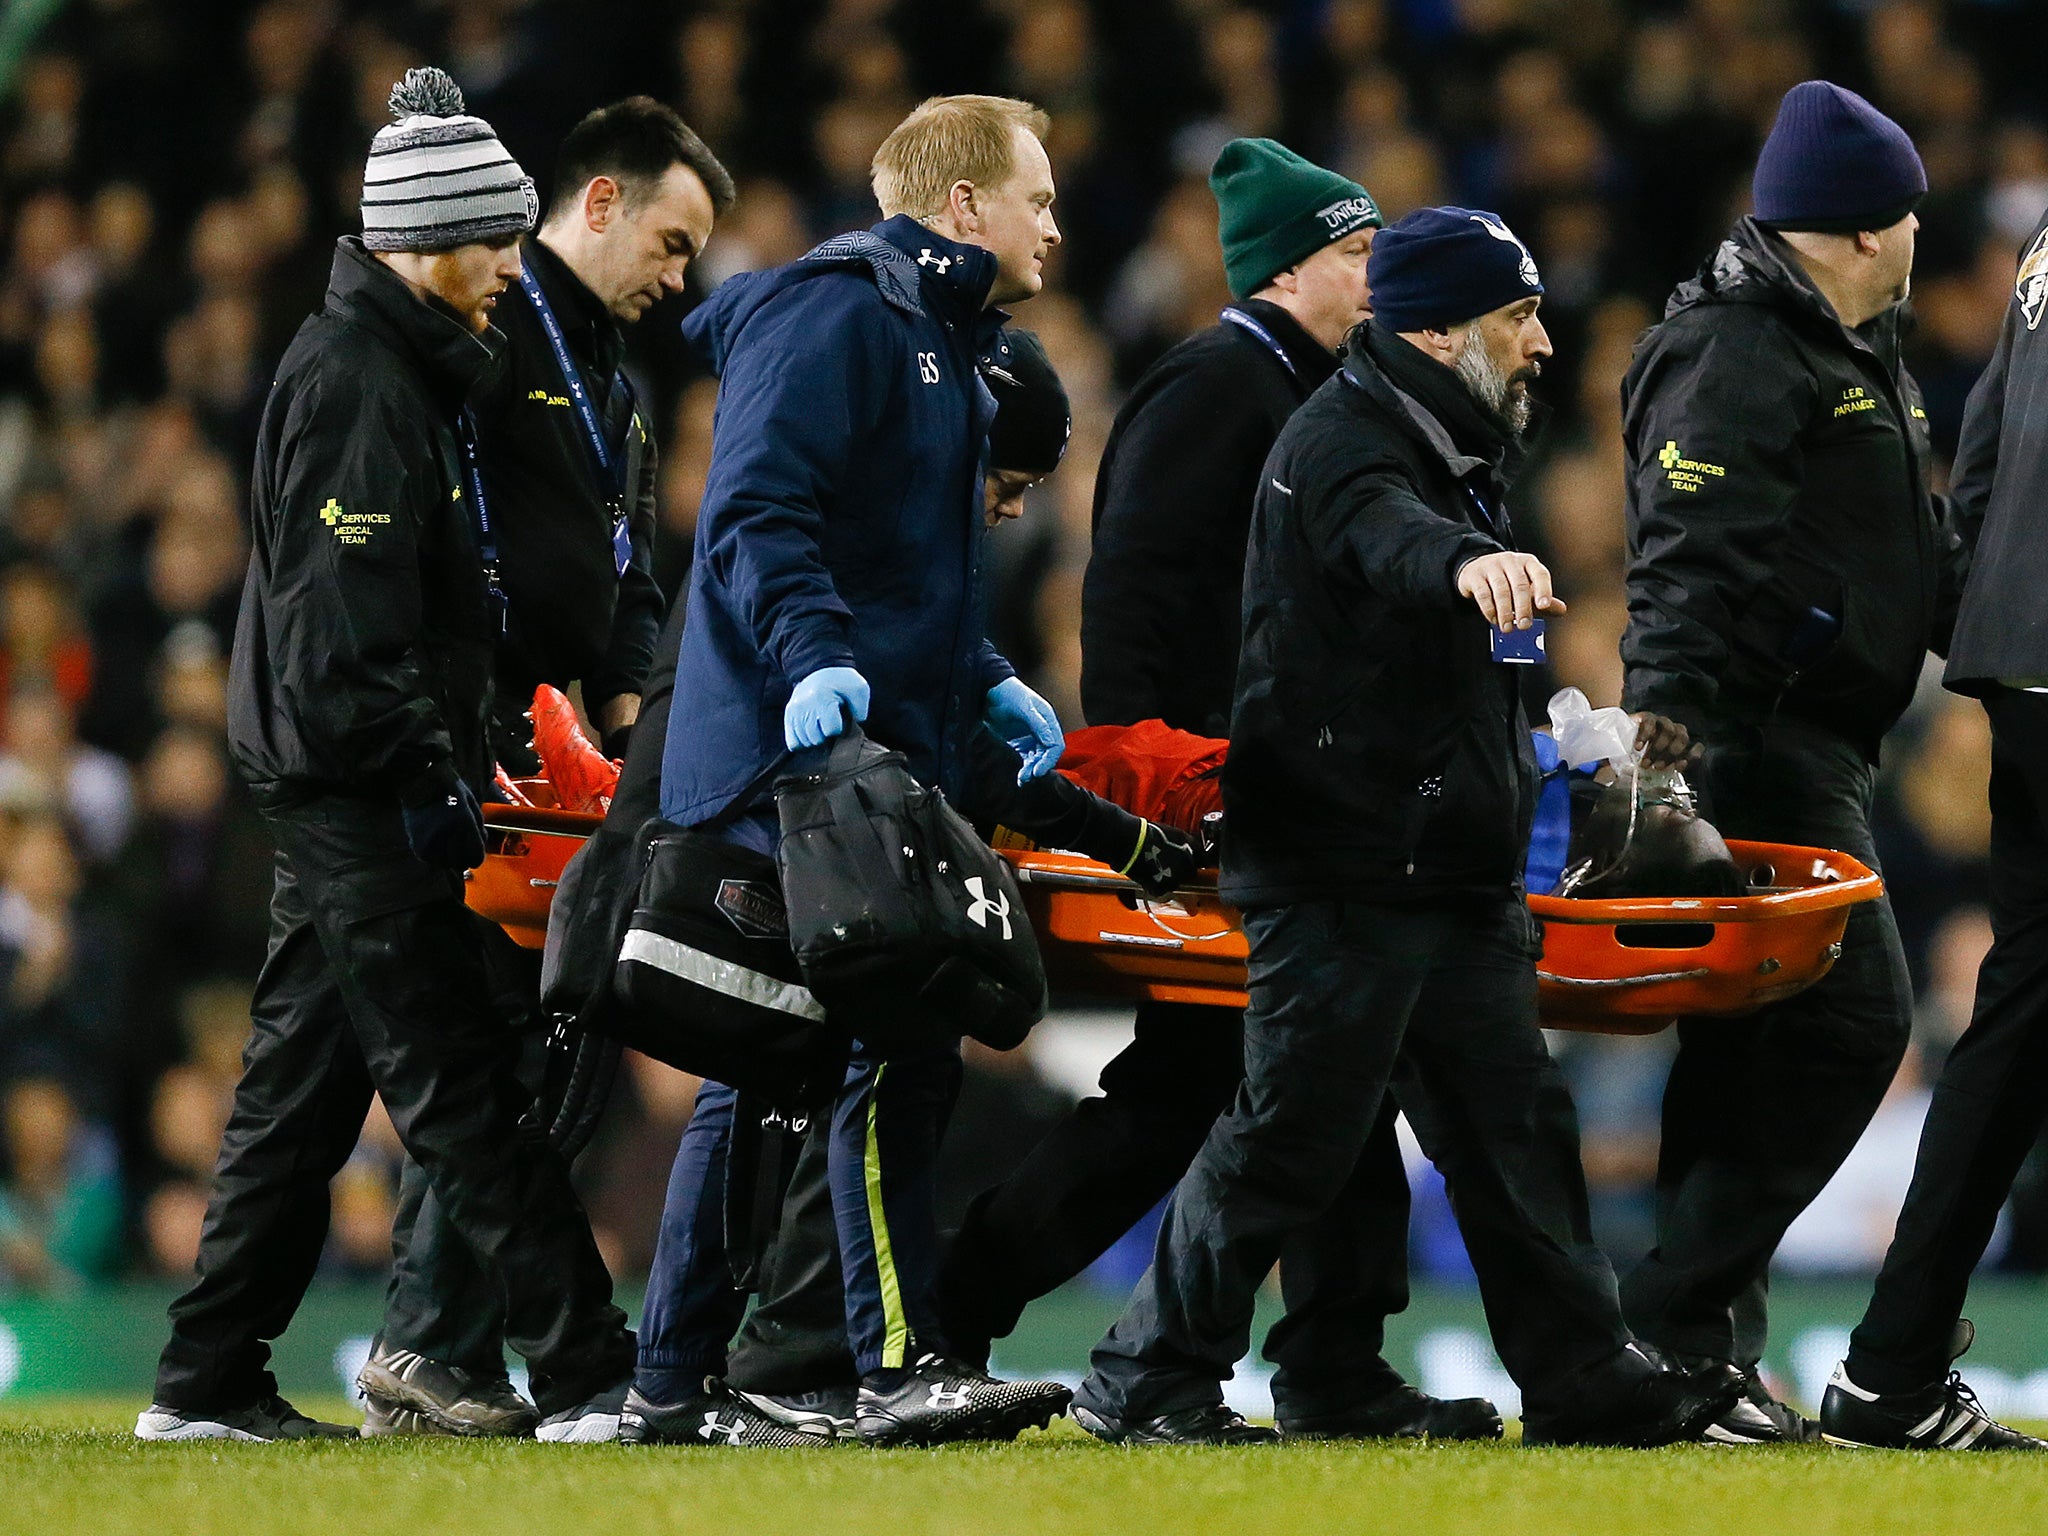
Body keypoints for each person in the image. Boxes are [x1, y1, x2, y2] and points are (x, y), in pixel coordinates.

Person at [1070, 206, 1739, 1448]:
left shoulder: (1447, 441)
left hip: (1440, 868)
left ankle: (1578, 1377)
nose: (1540, 340)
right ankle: (1142, 1375)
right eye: (1515, 315)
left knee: (1513, 1133)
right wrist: (1460, 565)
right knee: (1288, 1131)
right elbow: (1385, 538)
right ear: (1434, 328)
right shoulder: (1344, 443)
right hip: (1340, 862)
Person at [929, 137, 1495, 1441]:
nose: (1382, 273)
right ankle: (981, 1308)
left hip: (1291, 811)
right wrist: (1169, 807)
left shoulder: (1312, 392)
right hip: (1220, 818)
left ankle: (1325, 1365)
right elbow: (1130, 620)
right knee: (1219, 1089)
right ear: (1292, 269)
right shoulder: (1215, 391)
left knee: (1298, 1075)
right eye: (1361, 253)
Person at [136, 68, 636, 1444]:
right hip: (363, 794)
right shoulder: (361, 383)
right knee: (465, 1091)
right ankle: (593, 1376)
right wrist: (427, 781)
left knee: (300, 1100)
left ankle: (202, 1384)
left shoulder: (398, 369)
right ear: (434, 239)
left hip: (359, 787)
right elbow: (341, 646)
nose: (508, 273)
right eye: (495, 242)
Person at [625, 94, 1073, 1449]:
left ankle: (677, 1382)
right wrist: (816, 662)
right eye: (1037, 199)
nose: (1054, 223)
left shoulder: (941, 338)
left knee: (772, 1069)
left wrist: (980, 671)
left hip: (863, 749)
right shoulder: (845, 314)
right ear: (964, 207)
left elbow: (895, 568)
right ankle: (890, 1367)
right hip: (797, 760)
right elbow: (758, 507)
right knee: (894, 1041)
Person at [357, 97, 734, 1438]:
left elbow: (625, 560)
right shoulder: (490, 337)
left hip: (576, 752)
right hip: (488, 748)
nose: (678, 278)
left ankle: (429, 1347)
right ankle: (419, 1344)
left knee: (539, 1052)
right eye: (674, 242)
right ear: (598, 203)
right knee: (503, 1053)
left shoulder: (610, 377)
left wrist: (633, 699)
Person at [1615, 81, 1960, 1444]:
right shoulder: (1745, 350)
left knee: (1751, 1049)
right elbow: (1686, 564)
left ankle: (1691, 1352)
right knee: (1855, 1024)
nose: (1921, 240)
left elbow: (1903, 567)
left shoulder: (1842, 349)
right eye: (1913, 217)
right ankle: (1661, 1319)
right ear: (1871, 228)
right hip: (1760, 747)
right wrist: (1668, 753)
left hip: (1817, 742)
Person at [1817, 200, 2048, 1451]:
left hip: (2019, 659)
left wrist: (1987, 630)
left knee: (2016, 1016)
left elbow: (1992, 443)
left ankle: (1893, 1367)